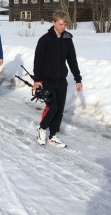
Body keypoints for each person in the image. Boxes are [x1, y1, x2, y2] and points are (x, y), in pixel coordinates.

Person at [33, 10, 82, 148]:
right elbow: (38, 61)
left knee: (59, 110)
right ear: (53, 23)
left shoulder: (67, 40)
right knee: (52, 107)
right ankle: (42, 129)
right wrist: (37, 80)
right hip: (46, 80)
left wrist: (78, 79)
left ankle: (53, 135)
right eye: (60, 24)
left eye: (65, 24)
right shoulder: (44, 40)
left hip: (61, 80)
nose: (63, 27)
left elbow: (72, 60)